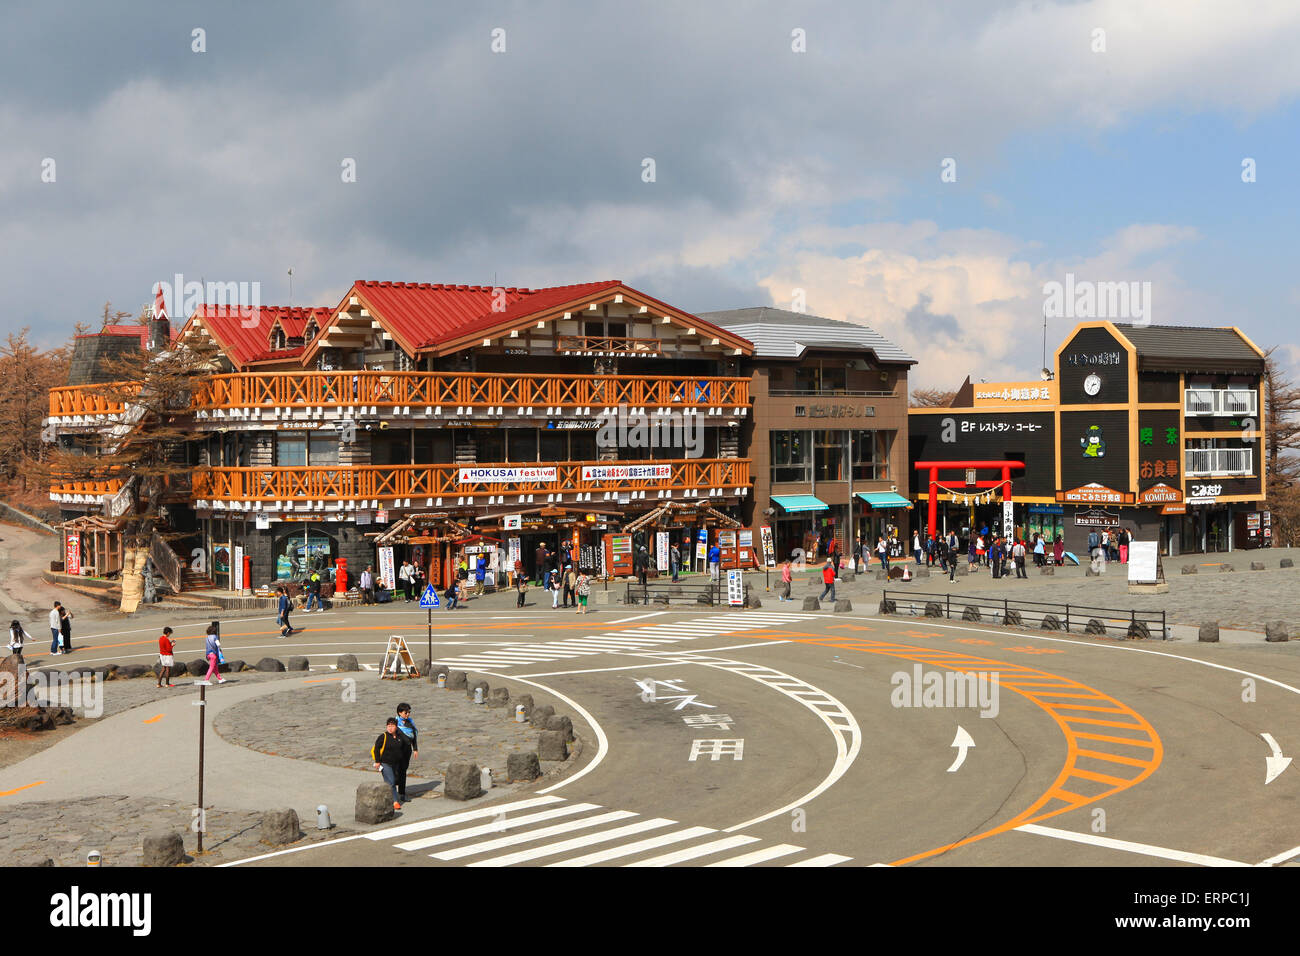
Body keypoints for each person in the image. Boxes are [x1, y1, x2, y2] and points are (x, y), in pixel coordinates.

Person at [371, 716, 412, 811]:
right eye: (388, 726)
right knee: (391, 782)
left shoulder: (399, 737)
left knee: (391, 782)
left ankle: (385, 798)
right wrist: (377, 761)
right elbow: (377, 748)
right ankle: (395, 802)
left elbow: (404, 746)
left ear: (396, 727)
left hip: (396, 764)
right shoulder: (383, 736)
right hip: (385, 763)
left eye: (392, 726)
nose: (390, 727)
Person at [394, 703, 418, 804]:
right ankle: (392, 791)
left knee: (403, 771)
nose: (408, 714)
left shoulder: (410, 723)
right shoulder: (395, 723)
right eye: (405, 712)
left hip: (407, 751)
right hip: (397, 750)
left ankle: (402, 794)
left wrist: (415, 749)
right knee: (395, 771)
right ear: (400, 713)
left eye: (409, 712)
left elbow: (414, 736)